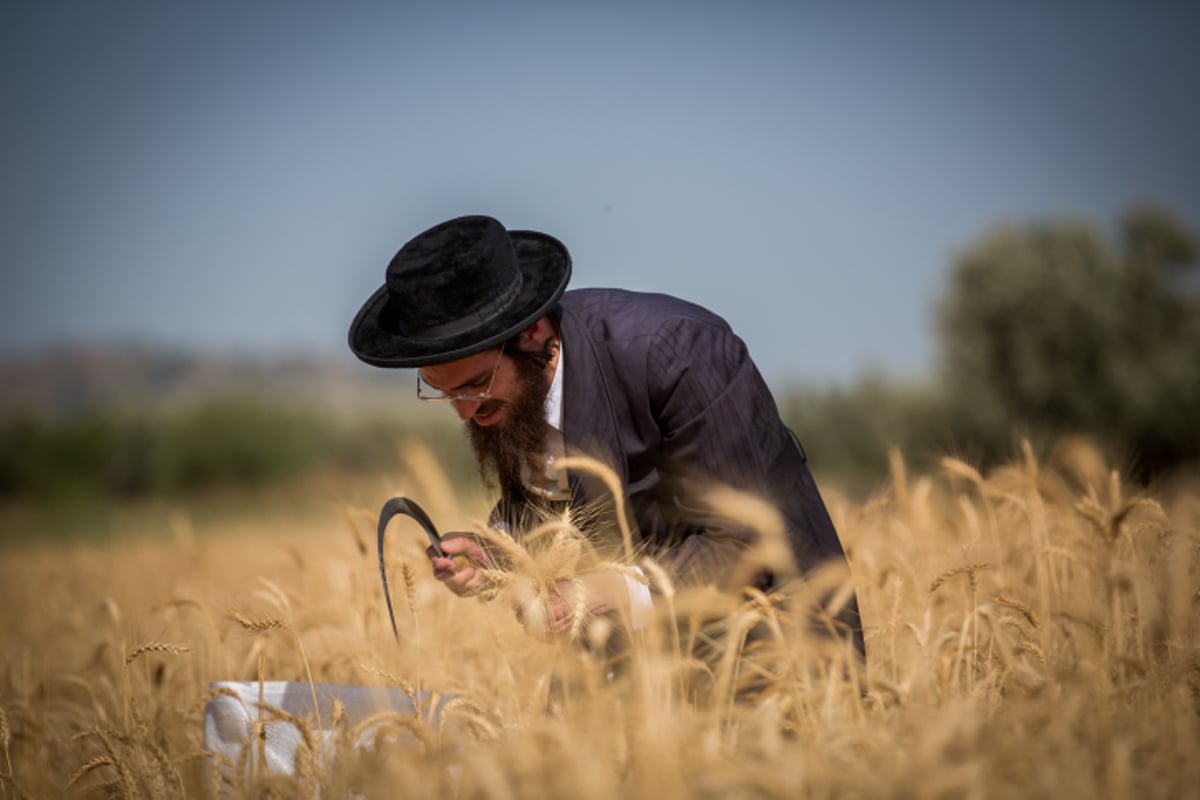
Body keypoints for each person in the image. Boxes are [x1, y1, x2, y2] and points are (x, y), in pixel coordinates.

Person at [348, 215, 864, 666]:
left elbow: (742, 538)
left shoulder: (676, 352)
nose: (464, 410)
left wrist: (602, 593)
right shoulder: (507, 393)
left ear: (532, 334)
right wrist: (502, 560)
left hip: (774, 648)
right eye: (439, 390)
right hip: (629, 670)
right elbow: (557, 512)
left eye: (475, 384)